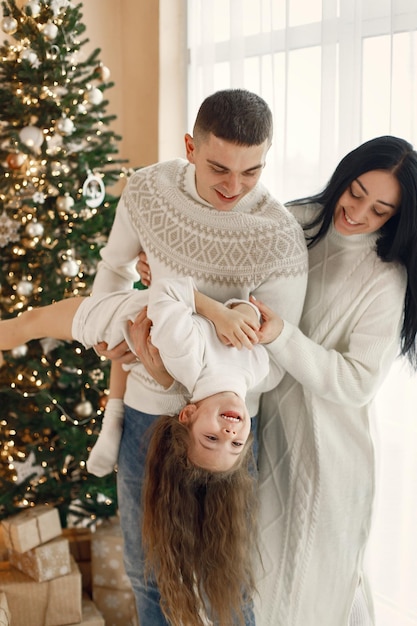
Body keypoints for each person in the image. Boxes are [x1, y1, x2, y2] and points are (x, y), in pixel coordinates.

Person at [138, 135, 417, 626]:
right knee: (248, 579)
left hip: (327, 449)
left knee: (313, 585)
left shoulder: (384, 276)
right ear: (342, 177)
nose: (358, 213)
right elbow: (219, 276)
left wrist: (283, 335)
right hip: (256, 425)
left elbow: (358, 384)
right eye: (354, 193)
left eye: (380, 210)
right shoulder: (293, 219)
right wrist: (160, 271)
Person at [92, 88, 308, 625]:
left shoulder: (279, 235)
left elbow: (275, 354)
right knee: (148, 573)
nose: (234, 187)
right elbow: (114, 268)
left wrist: (178, 373)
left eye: (251, 172)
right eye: (219, 168)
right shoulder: (146, 192)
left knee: (227, 578)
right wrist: (104, 332)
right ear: (190, 146)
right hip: (147, 414)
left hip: (230, 434)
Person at [0, 276, 285, 626]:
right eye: (235, 443)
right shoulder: (257, 372)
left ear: (188, 414)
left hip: (113, 320)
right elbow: (248, 317)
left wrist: (217, 316)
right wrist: (238, 315)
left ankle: (112, 421)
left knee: (30, 323)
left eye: (213, 439)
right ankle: (113, 420)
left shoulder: (186, 355)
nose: (228, 432)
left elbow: (166, 289)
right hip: (150, 340)